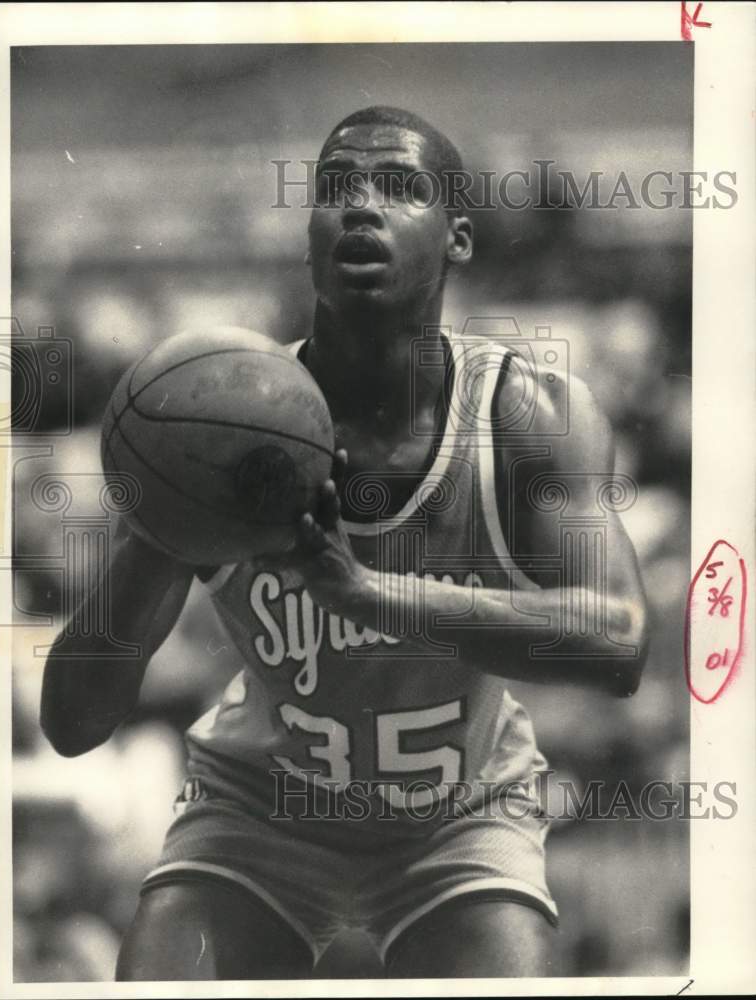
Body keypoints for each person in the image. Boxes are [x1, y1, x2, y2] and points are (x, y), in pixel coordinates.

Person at [41, 106, 648, 980]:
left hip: (461, 815)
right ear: (311, 238)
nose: (361, 206)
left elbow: (620, 642)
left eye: (399, 188)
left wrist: (367, 594)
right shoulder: (218, 425)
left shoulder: (527, 414)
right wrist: (158, 529)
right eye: (336, 189)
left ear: (458, 239)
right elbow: (71, 723)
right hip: (260, 811)